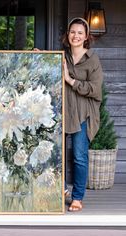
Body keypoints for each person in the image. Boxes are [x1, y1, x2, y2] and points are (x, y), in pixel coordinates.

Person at [62, 17, 103, 212]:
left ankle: (77, 197)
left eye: (80, 32)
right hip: (62, 113)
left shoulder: (92, 59)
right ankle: (60, 189)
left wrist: (71, 80)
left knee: (79, 156)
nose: (75, 35)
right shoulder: (62, 57)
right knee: (56, 154)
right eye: (72, 32)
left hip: (83, 114)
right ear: (67, 35)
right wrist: (40, 56)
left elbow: (95, 89)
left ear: (86, 36)